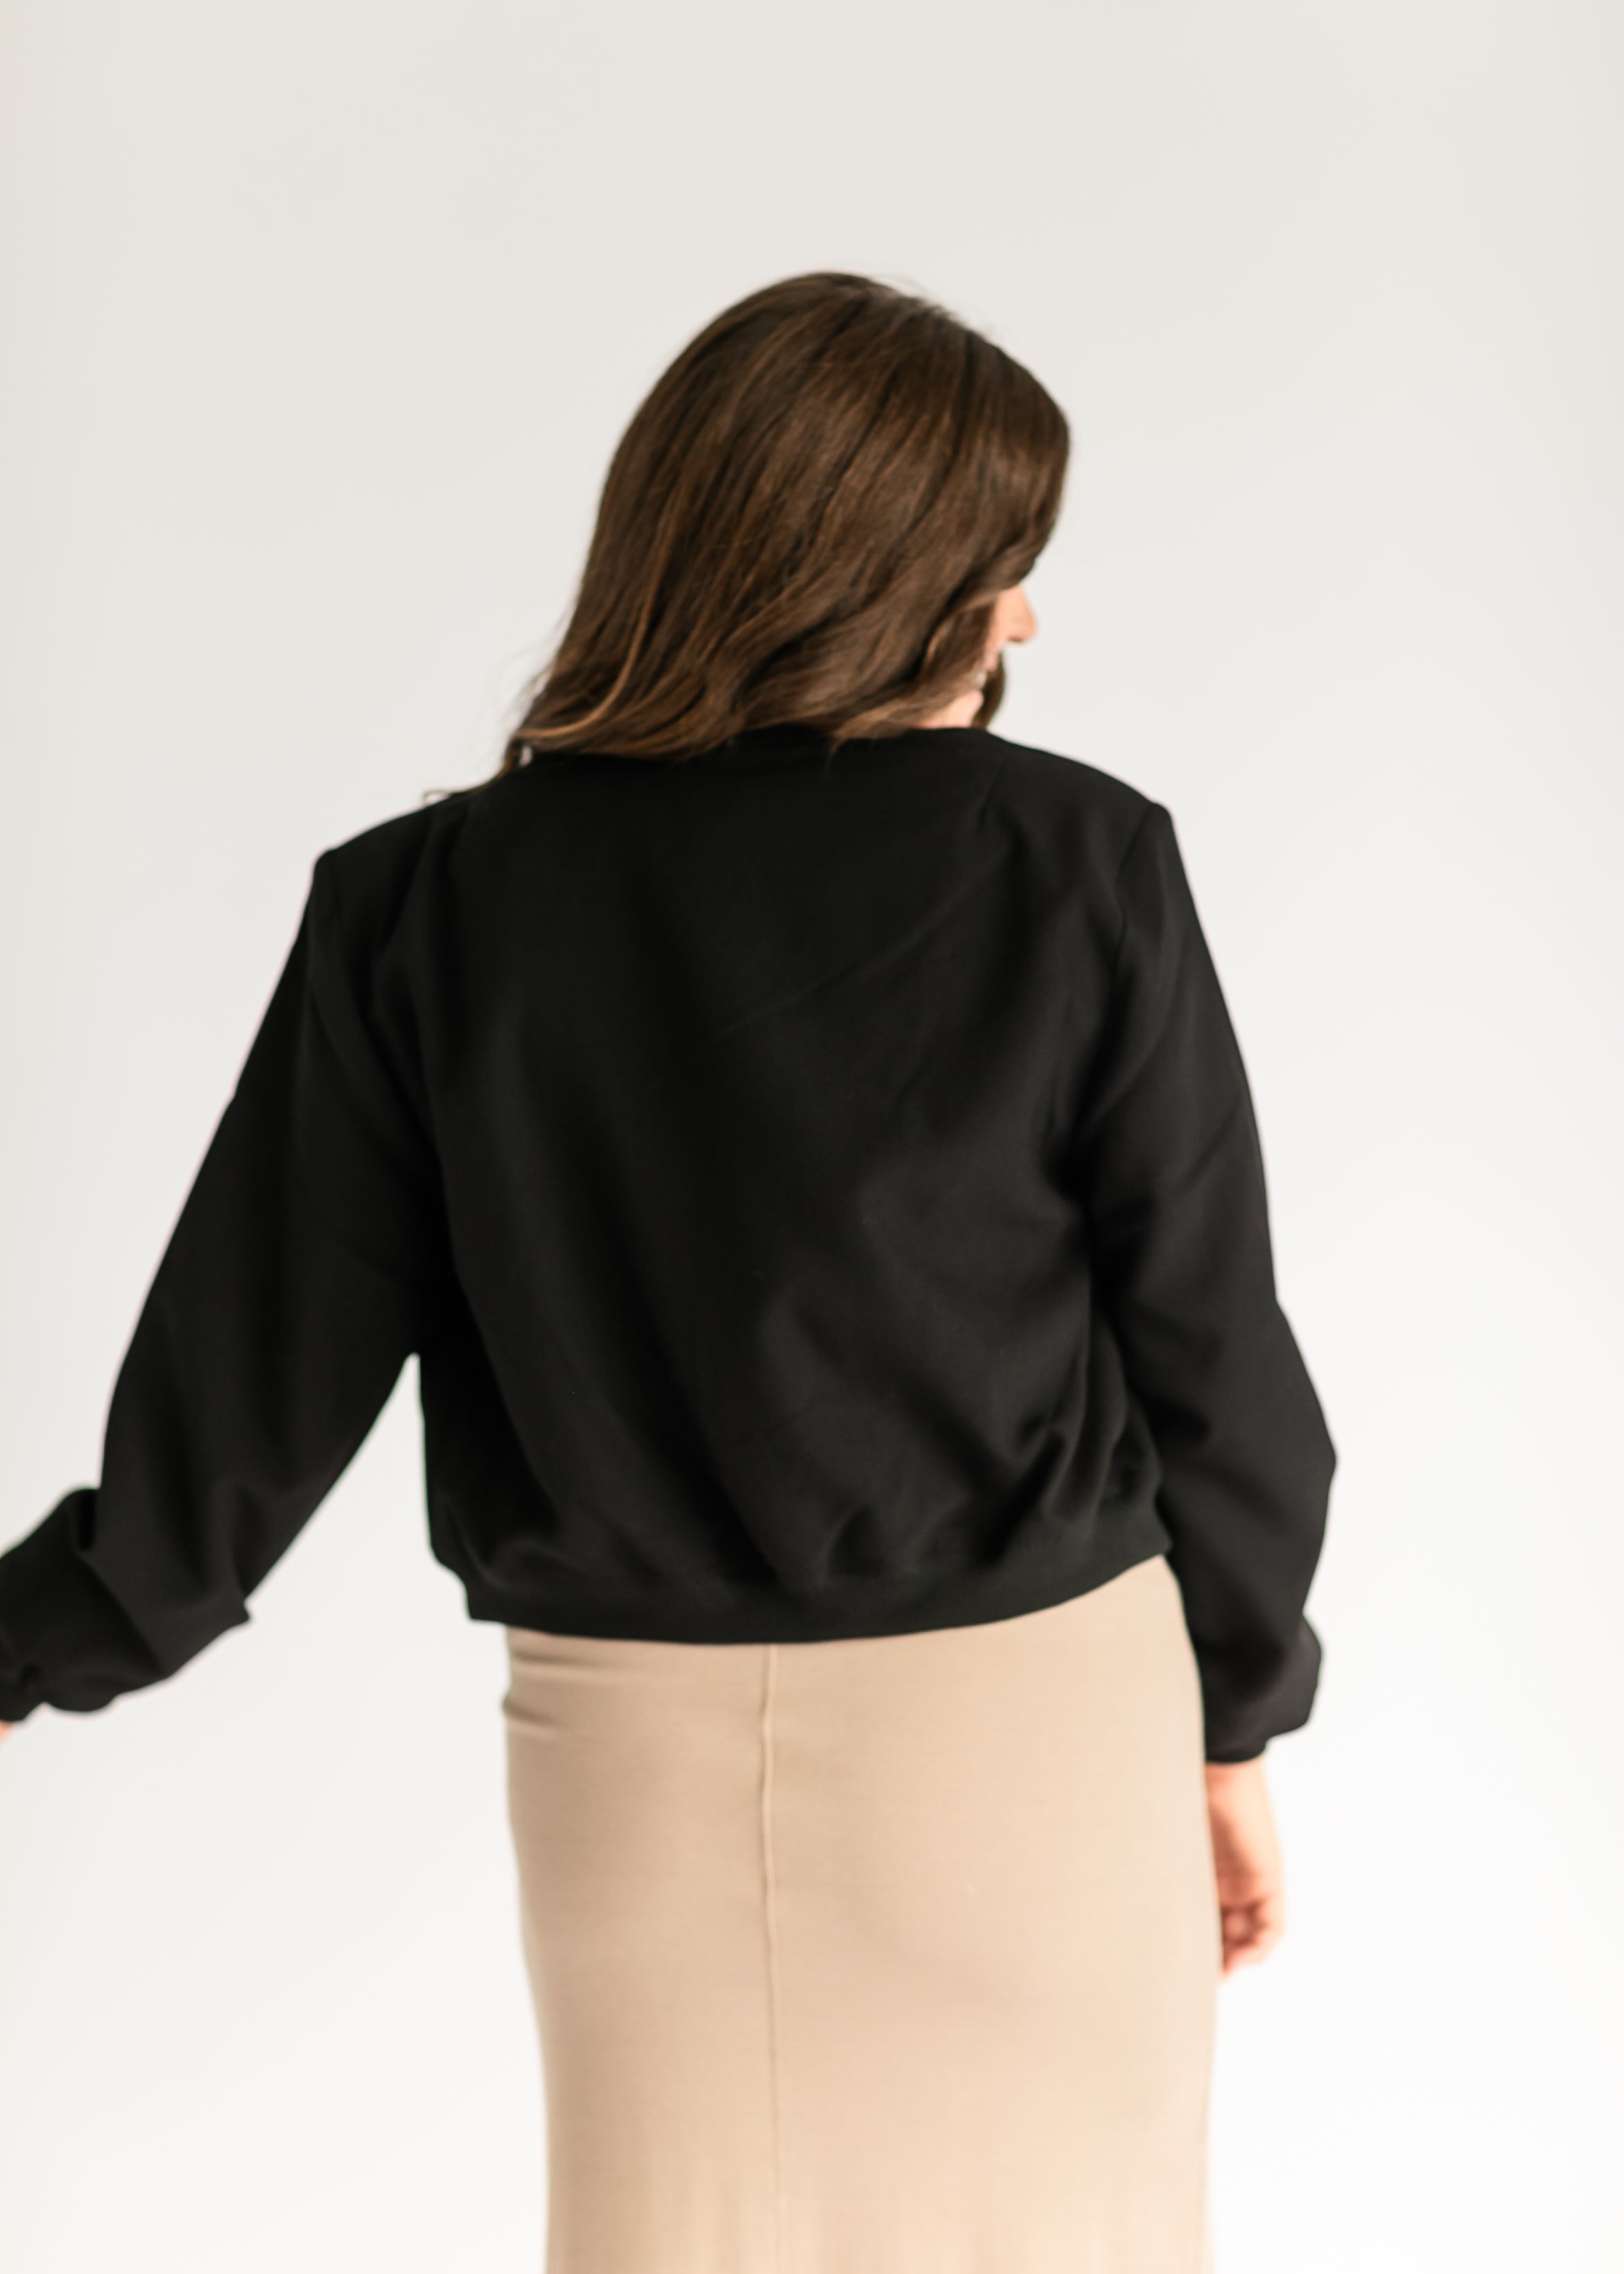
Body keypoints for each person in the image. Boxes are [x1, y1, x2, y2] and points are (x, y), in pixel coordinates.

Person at [0, 271, 1335, 2272]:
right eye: (1000, 567)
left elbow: (252, 1378)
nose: (1024, 619)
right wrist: (1232, 1724)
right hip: (1044, 1739)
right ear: (888, 580)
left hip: (633, 1758)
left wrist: (37, 1647)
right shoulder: (1078, 865)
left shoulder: (425, 906)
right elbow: (1216, 1357)